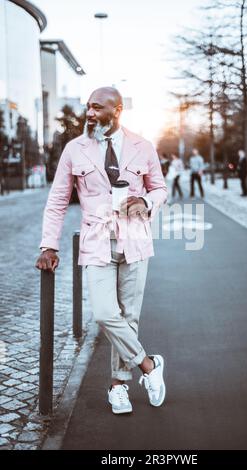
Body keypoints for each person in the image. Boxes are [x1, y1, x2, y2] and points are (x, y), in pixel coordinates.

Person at [35, 87, 168, 415]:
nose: (89, 114)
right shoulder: (74, 149)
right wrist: (49, 244)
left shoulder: (143, 146)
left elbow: (160, 188)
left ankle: (118, 386)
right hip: (96, 243)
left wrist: (147, 201)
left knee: (129, 317)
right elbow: (57, 200)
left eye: (97, 108)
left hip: (135, 241)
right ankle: (149, 365)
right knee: (106, 313)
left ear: (118, 109)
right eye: (88, 108)